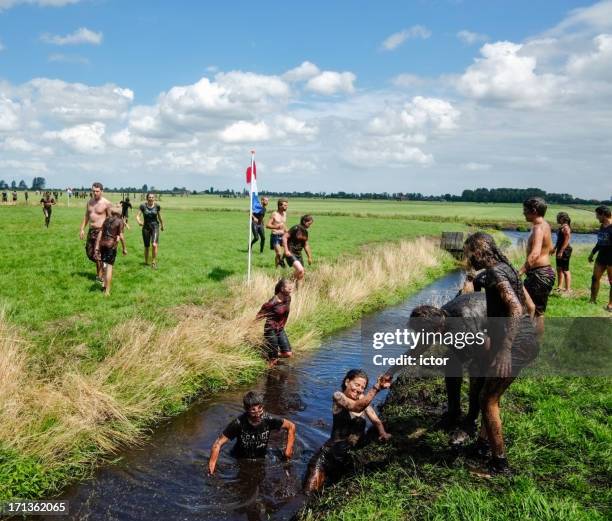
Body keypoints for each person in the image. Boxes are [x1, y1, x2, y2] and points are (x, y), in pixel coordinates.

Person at [463, 232, 539, 475]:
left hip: (515, 344)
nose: (468, 258)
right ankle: (483, 446)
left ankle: (500, 465)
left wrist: (506, 348)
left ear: (478, 251)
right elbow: (530, 306)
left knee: (487, 399)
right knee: (491, 392)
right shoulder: (506, 268)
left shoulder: (496, 273)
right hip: (524, 340)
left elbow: (516, 309)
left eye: (469, 253)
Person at [405, 291, 488, 439]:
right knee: (450, 361)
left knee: (476, 370)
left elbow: (485, 349)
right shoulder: (437, 318)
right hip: (478, 329)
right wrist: (390, 372)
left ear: (438, 329)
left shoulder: (465, 323)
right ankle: (454, 412)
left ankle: (471, 421)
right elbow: (416, 350)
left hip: (505, 330)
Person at [304, 369, 392, 493]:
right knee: (307, 495)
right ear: (347, 382)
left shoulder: (362, 399)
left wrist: (383, 433)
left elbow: (375, 420)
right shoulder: (338, 396)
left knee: (327, 494)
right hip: (326, 458)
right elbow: (355, 407)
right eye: (357, 384)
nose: (359, 389)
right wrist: (376, 387)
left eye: (363, 387)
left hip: (346, 459)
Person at [208, 391, 296, 475]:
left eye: (260, 408)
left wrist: (288, 450)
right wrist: (212, 466)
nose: (257, 413)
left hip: (261, 457)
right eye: (253, 410)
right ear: (246, 409)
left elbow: (291, 426)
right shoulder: (238, 423)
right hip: (240, 458)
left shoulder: (269, 419)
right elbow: (218, 443)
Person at [519, 197, 555, 338]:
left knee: (534, 310)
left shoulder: (538, 228)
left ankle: (532, 343)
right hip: (544, 272)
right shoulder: (545, 224)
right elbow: (550, 248)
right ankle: (533, 342)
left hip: (539, 275)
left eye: (525, 210)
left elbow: (534, 254)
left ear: (533, 211)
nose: (523, 213)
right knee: (537, 310)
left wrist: (520, 272)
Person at [256, 279, 294, 366]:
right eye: (289, 289)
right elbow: (259, 315)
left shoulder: (288, 298)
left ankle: (267, 354)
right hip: (270, 329)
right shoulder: (272, 302)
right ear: (282, 289)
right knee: (272, 361)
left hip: (280, 328)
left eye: (292, 289)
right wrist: (250, 326)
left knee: (288, 353)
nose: (291, 291)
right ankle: (269, 368)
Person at [79, 182, 112, 282]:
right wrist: (82, 229)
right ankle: (103, 265)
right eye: (93, 191)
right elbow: (86, 216)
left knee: (97, 254)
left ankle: (100, 276)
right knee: (90, 253)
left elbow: (111, 219)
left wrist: (110, 234)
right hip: (91, 231)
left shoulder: (106, 203)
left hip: (101, 232)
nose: (95, 193)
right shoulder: (89, 202)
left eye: (97, 191)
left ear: (102, 191)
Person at [94, 205, 127, 296]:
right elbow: (121, 236)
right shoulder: (120, 221)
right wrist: (124, 248)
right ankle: (107, 291)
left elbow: (100, 233)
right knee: (109, 267)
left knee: (104, 265)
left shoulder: (106, 219)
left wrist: (97, 246)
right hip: (110, 246)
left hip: (102, 244)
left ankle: (104, 285)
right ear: (120, 213)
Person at [589, 205, 612, 312]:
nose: (596, 217)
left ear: (603, 214)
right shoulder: (602, 226)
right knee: (594, 278)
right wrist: (592, 253)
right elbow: (600, 242)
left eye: (597, 215)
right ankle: (592, 300)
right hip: (601, 257)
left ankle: (610, 305)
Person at [136, 192, 164, 269]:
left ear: (154, 198)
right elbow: (137, 216)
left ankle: (153, 262)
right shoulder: (143, 206)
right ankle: (146, 262)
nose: (151, 198)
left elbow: (160, 216)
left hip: (155, 226)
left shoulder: (157, 206)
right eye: (149, 197)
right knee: (147, 246)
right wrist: (139, 222)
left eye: (152, 197)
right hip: (146, 227)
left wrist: (162, 225)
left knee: (154, 244)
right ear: (147, 198)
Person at [283, 215, 314, 284]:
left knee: (301, 273)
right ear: (304, 221)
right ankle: (288, 282)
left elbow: (306, 245)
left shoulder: (306, 232)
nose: (309, 226)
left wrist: (309, 257)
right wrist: (286, 250)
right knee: (300, 269)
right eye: (309, 224)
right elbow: (284, 237)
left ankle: (297, 290)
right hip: (290, 252)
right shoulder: (296, 228)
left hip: (298, 254)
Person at [551, 212, 572, 293]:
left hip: (565, 250)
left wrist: (561, 251)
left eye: (558, 217)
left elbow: (566, 241)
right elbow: (559, 240)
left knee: (565, 270)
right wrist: (555, 248)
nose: (556, 219)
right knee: (559, 268)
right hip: (560, 249)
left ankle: (568, 289)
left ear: (562, 218)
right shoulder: (561, 227)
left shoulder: (566, 228)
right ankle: (559, 287)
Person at [266, 199, 288, 268]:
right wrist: (276, 226)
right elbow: (267, 225)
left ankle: (280, 261)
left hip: (283, 236)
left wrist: (288, 231)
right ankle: (277, 267)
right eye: (284, 205)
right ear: (279, 206)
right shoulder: (274, 214)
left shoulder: (285, 214)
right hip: (275, 236)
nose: (286, 207)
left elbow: (283, 224)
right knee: (278, 253)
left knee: (287, 250)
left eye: (286, 205)